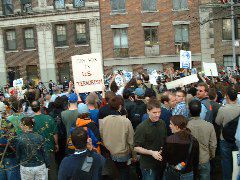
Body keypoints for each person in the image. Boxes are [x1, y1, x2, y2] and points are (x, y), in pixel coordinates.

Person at [100, 95, 136, 179]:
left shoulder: (104, 121)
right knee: (124, 173)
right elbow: (131, 140)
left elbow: (102, 136)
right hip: (123, 154)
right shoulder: (126, 121)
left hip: (110, 153)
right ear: (120, 106)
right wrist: (134, 155)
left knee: (114, 174)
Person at [134, 98, 167, 180]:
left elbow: (164, 140)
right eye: (154, 112)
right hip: (148, 166)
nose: (157, 115)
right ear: (148, 111)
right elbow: (136, 147)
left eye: (159, 112)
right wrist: (152, 152)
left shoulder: (162, 123)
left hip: (161, 163)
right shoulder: (142, 127)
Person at [187, 100, 217, 180]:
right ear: (200, 111)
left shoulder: (186, 126)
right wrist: (211, 155)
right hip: (204, 158)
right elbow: (213, 144)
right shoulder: (209, 126)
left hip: (191, 159)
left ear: (189, 110)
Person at [164, 115, 199, 179]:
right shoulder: (193, 140)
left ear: (177, 127)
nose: (169, 126)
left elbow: (164, 159)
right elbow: (196, 160)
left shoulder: (169, 140)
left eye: (171, 124)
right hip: (188, 174)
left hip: (172, 173)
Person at [215, 87, 240, 180]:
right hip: (238, 139)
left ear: (227, 97)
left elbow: (217, 122)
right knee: (238, 162)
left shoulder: (223, 109)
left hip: (225, 138)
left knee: (226, 161)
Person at [31, 100, 58, 180]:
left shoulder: (31, 121)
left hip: (37, 150)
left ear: (32, 109)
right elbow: (55, 133)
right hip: (49, 148)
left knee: (41, 173)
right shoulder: (49, 118)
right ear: (40, 107)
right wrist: (56, 144)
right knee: (52, 170)